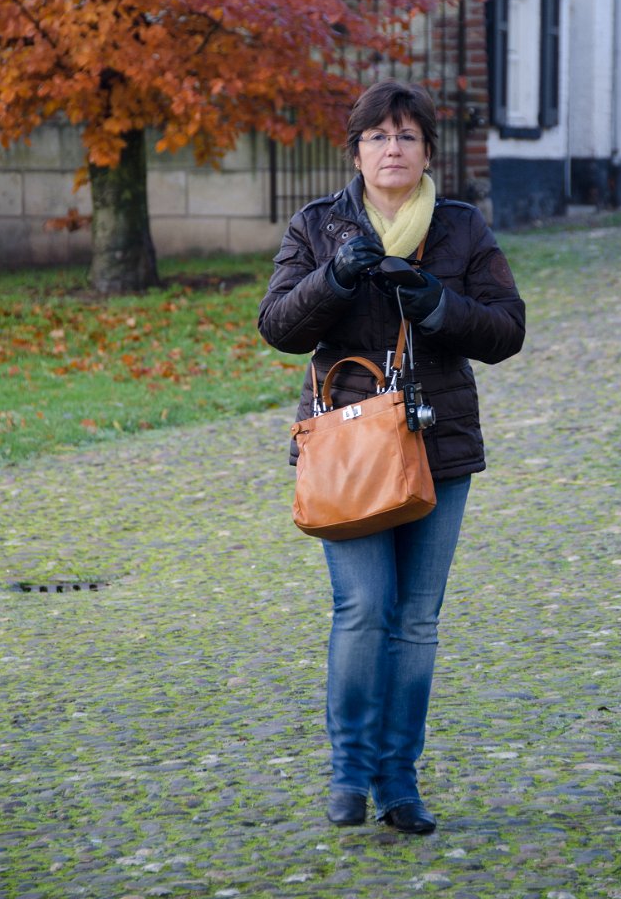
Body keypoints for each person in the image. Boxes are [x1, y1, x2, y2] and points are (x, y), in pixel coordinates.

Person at [258, 80, 525, 834]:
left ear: (428, 151)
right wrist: (335, 277)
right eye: (377, 136)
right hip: (348, 449)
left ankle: (398, 783)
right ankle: (350, 773)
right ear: (356, 153)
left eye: (407, 136)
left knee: (415, 621)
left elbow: (507, 330)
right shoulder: (318, 226)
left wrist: (438, 305)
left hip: (438, 444)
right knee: (364, 606)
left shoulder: (461, 227)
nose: (392, 149)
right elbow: (277, 325)